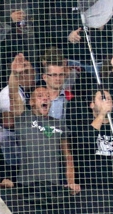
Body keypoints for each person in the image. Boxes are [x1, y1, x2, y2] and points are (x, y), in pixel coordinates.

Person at [6, 54, 79, 193]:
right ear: (31, 102)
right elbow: (13, 94)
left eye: (47, 96)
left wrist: (71, 183)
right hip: (26, 184)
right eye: (39, 96)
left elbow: (68, 156)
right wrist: (15, 73)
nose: (45, 98)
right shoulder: (23, 119)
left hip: (54, 185)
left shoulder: (59, 124)